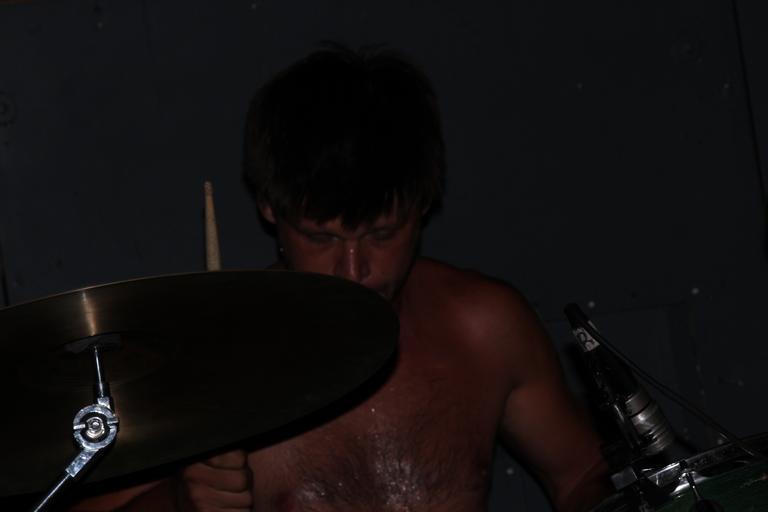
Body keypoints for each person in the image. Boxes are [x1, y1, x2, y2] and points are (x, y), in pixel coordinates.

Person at [73, 44, 610, 512]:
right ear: (269, 207)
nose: (354, 269)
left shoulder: (486, 328)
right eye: (322, 237)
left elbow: (583, 476)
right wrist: (176, 504)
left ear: (423, 205)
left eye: (382, 234)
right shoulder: (209, 364)